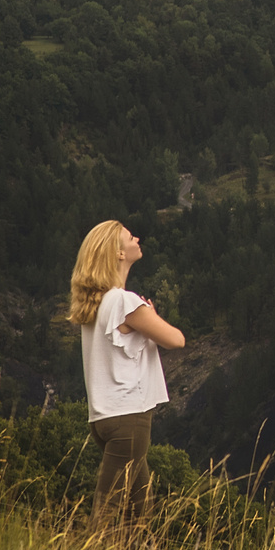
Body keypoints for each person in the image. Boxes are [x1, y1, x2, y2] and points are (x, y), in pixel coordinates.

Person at [66, 219, 184, 525]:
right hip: (129, 420)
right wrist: (152, 316)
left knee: (140, 510)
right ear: (118, 254)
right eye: (130, 237)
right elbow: (176, 340)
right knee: (107, 514)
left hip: (102, 420)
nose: (137, 239)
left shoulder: (96, 304)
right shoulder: (124, 302)